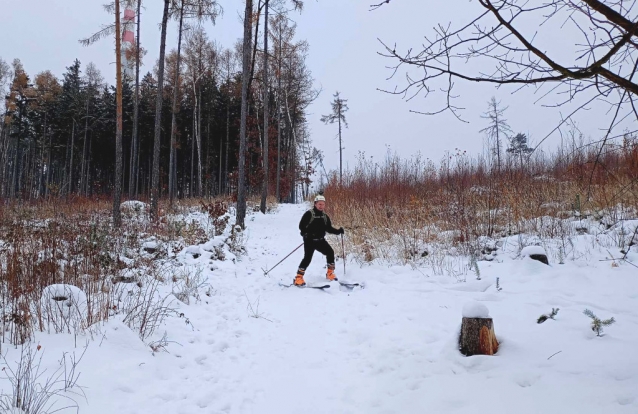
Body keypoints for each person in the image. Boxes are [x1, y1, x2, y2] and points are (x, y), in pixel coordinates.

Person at [294, 194, 345, 286]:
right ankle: (298, 277)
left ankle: (330, 273)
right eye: (319, 204)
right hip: (309, 241)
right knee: (307, 258)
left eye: (323, 204)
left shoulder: (325, 217)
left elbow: (329, 228)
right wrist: (305, 234)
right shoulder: (309, 214)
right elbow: (301, 226)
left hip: (320, 240)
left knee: (330, 252)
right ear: (315, 204)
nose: (321, 206)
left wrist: (338, 231)